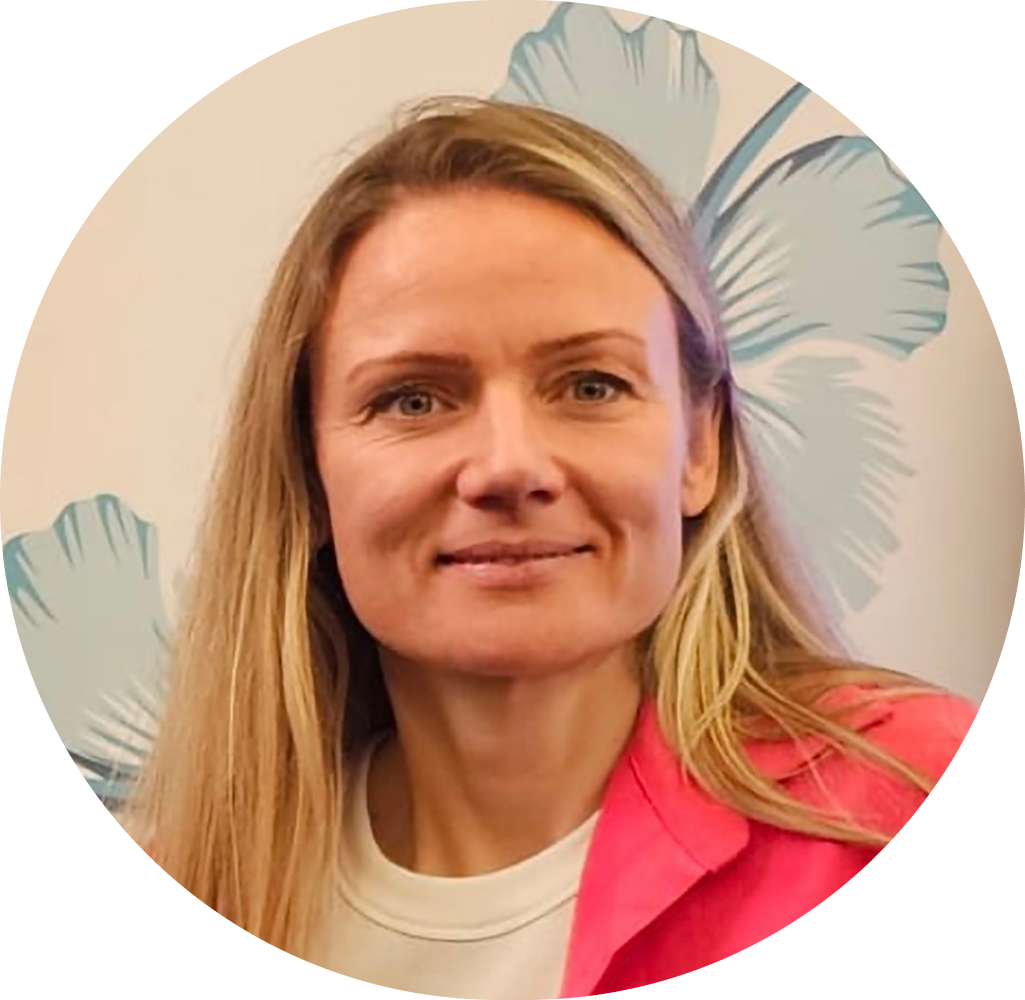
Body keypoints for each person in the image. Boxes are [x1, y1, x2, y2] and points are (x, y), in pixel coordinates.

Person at [122, 96, 976, 995]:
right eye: (413, 398)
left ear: (700, 448)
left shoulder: (901, 792)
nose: (509, 467)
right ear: (308, 472)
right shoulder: (202, 878)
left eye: (591, 385)